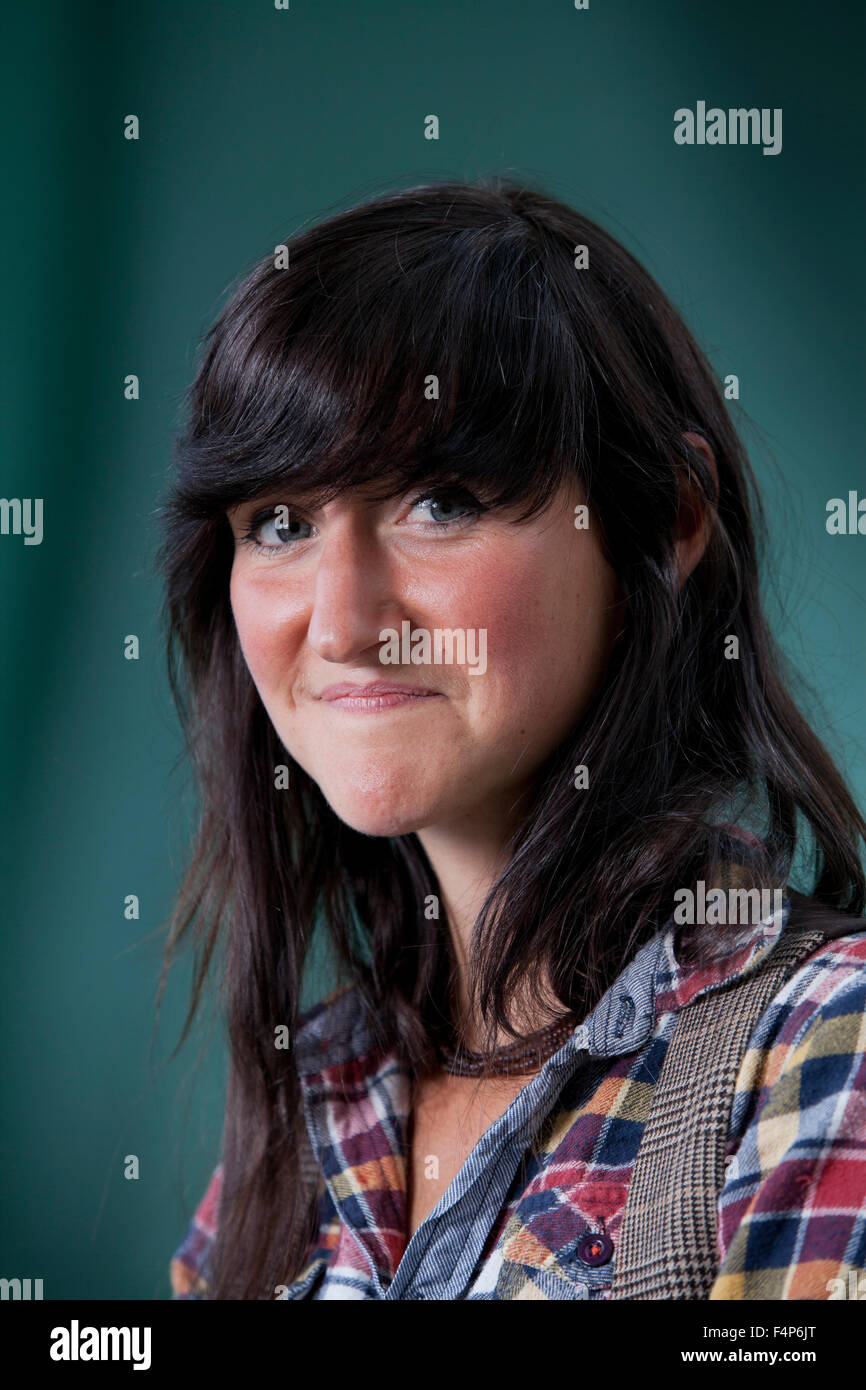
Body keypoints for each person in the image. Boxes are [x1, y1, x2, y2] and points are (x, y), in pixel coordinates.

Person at [159, 177, 866, 1301]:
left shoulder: (826, 1050)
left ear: (666, 518)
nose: (341, 624)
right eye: (279, 523)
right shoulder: (307, 1123)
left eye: (437, 502)